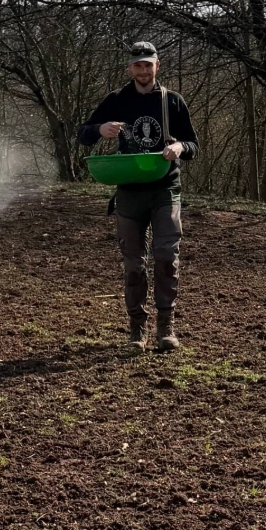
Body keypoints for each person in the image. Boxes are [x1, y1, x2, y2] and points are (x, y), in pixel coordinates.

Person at [78, 42, 199, 351]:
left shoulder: (172, 101)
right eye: (138, 65)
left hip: (165, 189)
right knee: (134, 264)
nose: (143, 70)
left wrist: (179, 148)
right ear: (129, 68)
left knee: (166, 256)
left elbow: (193, 146)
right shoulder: (117, 100)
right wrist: (101, 128)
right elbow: (83, 133)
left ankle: (166, 327)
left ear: (157, 66)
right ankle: (137, 329)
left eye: (149, 64)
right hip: (129, 191)